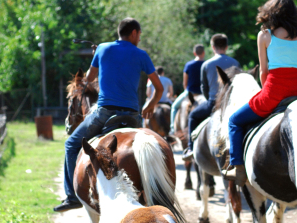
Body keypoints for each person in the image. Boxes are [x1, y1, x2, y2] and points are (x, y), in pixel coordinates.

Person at [53, 17, 163, 212]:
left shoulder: (103, 48)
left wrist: (98, 56)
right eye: (140, 35)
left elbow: (88, 79)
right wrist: (150, 105)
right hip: (133, 116)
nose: (140, 39)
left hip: (105, 113)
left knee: (70, 144)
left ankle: (72, 196)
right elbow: (159, 87)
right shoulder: (141, 54)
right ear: (134, 33)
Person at [224, 0, 297, 186]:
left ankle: (238, 167)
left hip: (274, 92)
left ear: (272, 13)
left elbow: (263, 72)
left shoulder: (265, 36)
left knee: (234, 121)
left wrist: (266, 92)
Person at [182, 34, 240, 161]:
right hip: (231, 104)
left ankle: (191, 148)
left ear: (213, 47)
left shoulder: (207, 64)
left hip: (213, 103)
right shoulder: (235, 63)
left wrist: (210, 99)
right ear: (226, 47)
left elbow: (204, 88)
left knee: (192, 116)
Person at [169, 44, 205, 135]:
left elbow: (185, 82)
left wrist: (187, 92)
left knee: (174, 107)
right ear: (203, 53)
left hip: (190, 93)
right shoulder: (206, 64)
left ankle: (173, 129)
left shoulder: (189, 65)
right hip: (203, 94)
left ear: (194, 53)